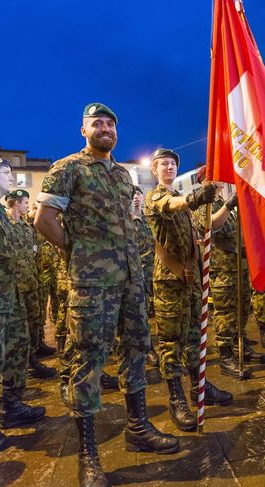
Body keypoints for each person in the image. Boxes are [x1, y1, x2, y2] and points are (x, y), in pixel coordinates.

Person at [35, 103, 179, 487]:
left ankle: (138, 428)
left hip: (130, 282)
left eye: (111, 124)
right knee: (88, 362)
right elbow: (43, 220)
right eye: (97, 123)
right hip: (92, 286)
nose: (105, 128)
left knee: (135, 351)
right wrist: (76, 251)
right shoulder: (68, 169)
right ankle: (89, 455)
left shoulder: (121, 176)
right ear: (84, 131)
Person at [144, 149, 232, 433]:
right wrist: (195, 198)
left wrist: (228, 205)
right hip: (169, 279)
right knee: (171, 342)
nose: (169, 167)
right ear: (154, 170)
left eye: (172, 163)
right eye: (163, 164)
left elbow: (208, 226)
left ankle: (199, 388)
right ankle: (176, 398)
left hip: (191, 278)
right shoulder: (156, 197)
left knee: (194, 335)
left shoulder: (186, 206)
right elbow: (173, 204)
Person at [0, 157, 45, 452]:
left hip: (8, 295)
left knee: (15, 349)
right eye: (7, 173)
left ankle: (12, 406)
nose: (13, 177)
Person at [192, 166, 265, 379]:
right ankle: (226, 356)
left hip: (239, 266)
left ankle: (240, 346)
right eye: (214, 177)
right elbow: (211, 225)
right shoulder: (204, 204)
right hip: (222, 270)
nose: (220, 180)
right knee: (226, 314)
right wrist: (228, 204)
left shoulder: (225, 204)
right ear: (204, 181)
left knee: (243, 310)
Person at [5, 190, 56, 379]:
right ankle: (15, 368)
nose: (28, 205)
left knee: (34, 322)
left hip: (31, 282)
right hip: (14, 287)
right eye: (25, 202)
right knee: (16, 329)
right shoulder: (5, 227)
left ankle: (31, 358)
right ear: (17, 203)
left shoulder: (27, 228)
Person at [132, 186, 159, 366]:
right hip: (135, 274)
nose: (136, 198)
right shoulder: (125, 221)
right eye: (132, 195)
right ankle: (146, 348)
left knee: (155, 312)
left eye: (138, 194)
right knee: (139, 314)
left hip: (153, 272)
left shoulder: (148, 219)